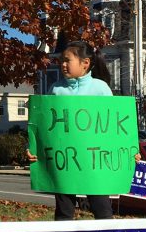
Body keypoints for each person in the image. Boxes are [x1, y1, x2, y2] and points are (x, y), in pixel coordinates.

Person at [29, 40, 116, 221]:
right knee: (63, 211)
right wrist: (33, 147)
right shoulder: (56, 90)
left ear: (85, 63)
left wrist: (131, 150)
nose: (63, 64)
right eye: (61, 60)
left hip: (95, 165)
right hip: (65, 164)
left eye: (68, 60)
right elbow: (45, 127)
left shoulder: (100, 89)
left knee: (102, 210)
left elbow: (114, 128)